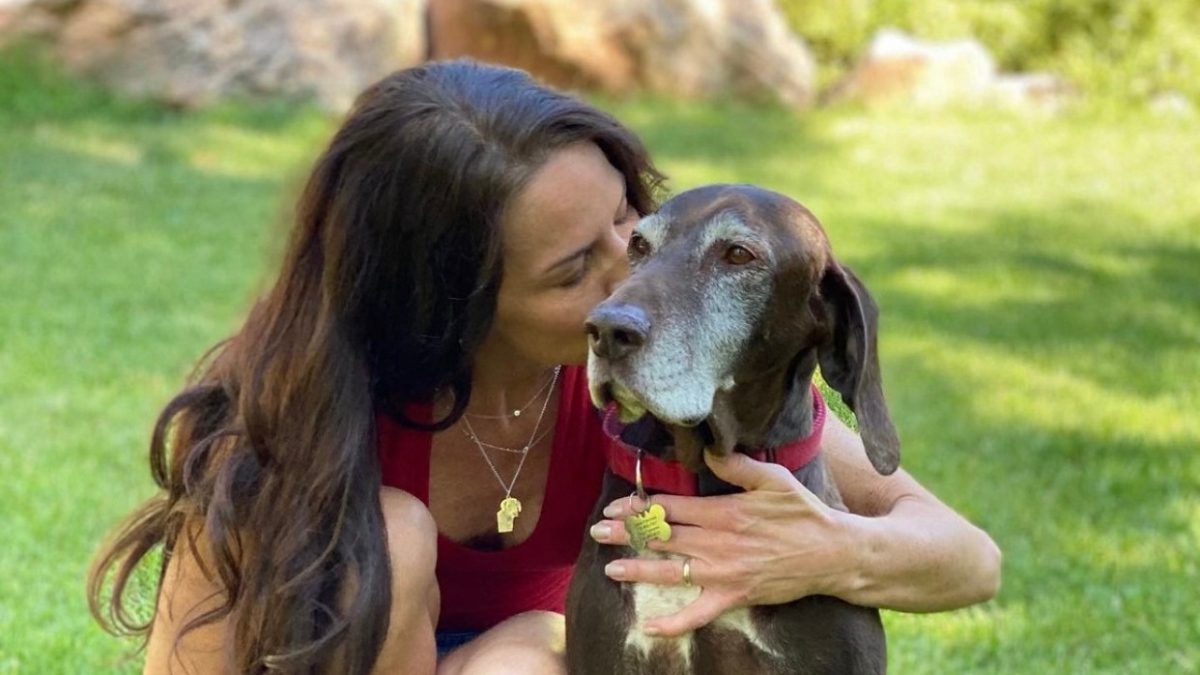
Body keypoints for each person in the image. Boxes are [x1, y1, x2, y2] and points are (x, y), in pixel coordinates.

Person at [89, 60, 1001, 675]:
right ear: (451, 304)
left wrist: (832, 547)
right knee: (392, 539)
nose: (637, 287)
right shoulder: (292, 419)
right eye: (575, 271)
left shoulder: (659, 387)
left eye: (631, 227)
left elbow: (970, 561)